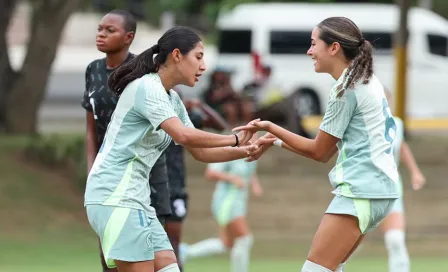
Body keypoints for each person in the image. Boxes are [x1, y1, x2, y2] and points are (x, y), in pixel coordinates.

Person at [84, 26, 267, 272]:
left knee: (170, 267)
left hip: (137, 200)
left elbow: (200, 152)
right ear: (177, 55)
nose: (203, 67)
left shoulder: (172, 99)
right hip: (115, 196)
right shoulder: (147, 88)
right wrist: (235, 140)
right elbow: (184, 135)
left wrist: (246, 149)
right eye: (199, 57)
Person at [234, 17, 400, 272]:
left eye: (313, 44)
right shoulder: (366, 80)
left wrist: (268, 126)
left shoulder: (345, 88)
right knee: (332, 268)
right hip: (380, 192)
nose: (309, 52)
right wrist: (275, 140)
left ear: (334, 48)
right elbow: (326, 149)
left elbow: (318, 151)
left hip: (361, 191)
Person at [81, 10, 172, 272]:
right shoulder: (93, 71)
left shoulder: (143, 73)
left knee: (152, 257)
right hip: (109, 176)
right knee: (110, 258)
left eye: (110, 30)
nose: (101, 34)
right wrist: (92, 171)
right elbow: (91, 130)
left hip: (146, 173)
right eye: (100, 28)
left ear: (128, 37)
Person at [164, 94, 230, 272]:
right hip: (149, 187)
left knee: (173, 245)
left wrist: (201, 106)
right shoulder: (152, 111)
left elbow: (222, 127)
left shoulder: (182, 119)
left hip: (175, 186)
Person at [178, 133, 262, 272]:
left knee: (226, 244)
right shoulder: (229, 150)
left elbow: (249, 171)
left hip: (239, 201)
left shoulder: (253, 152)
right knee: (245, 239)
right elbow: (210, 173)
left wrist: (254, 184)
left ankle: (185, 251)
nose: (255, 140)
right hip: (227, 202)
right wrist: (232, 178)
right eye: (253, 136)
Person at [379, 90, 426, 272]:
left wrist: (415, 172)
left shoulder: (395, 124)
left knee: (395, 240)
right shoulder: (360, 124)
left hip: (391, 190)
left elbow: (401, 146)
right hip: (363, 191)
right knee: (347, 244)